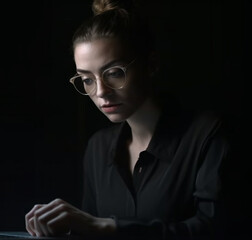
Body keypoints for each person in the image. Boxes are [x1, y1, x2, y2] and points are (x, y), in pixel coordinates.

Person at [25, 0, 231, 239]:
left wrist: (105, 226)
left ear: (151, 65)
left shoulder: (207, 135)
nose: (101, 91)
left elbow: (214, 230)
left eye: (114, 73)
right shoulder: (98, 148)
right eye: (87, 79)